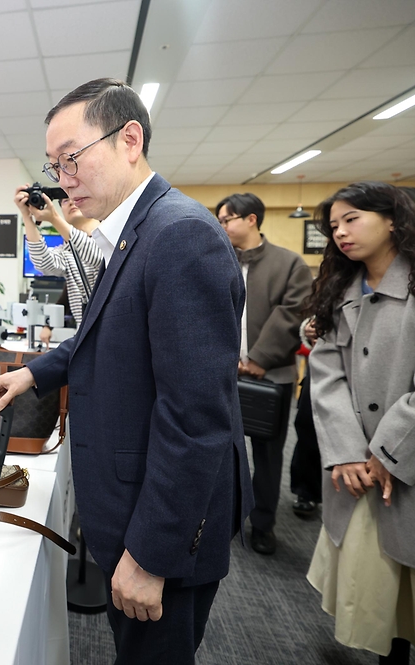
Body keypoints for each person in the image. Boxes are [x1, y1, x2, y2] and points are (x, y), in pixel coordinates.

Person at [0, 78, 252, 665]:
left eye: (72, 158)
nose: (62, 177)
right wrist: (37, 372)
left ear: (129, 139)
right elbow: (105, 333)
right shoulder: (136, 232)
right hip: (131, 506)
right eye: (54, 164)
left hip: (162, 532)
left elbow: (195, 418)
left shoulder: (179, 235)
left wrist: (151, 556)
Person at [306, 181, 415, 665]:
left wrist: (387, 450)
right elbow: (325, 373)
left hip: (403, 463)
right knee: (378, 592)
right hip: (358, 471)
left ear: (392, 219)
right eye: (333, 226)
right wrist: (349, 451)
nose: (341, 233)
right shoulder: (341, 289)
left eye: (352, 219)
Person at [215, 193, 313, 555]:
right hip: (223, 376)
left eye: (227, 220)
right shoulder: (218, 259)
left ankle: (263, 524)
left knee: (269, 457)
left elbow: (292, 314)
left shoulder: (290, 263)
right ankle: (223, 517)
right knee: (221, 451)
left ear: (252, 219)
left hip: (271, 377)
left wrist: (259, 357)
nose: (222, 227)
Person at [17, 187, 103, 325]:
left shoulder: (112, 235)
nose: (70, 202)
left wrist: (54, 218)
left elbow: (97, 257)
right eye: (64, 200)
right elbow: (42, 263)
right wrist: (27, 215)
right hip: (86, 334)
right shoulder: (66, 251)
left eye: (76, 196)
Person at [289, 316, 322, 518]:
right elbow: (315, 310)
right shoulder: (337, 284)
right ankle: (306, 490)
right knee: (307, 424)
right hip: (323, 362)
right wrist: (309, 328)